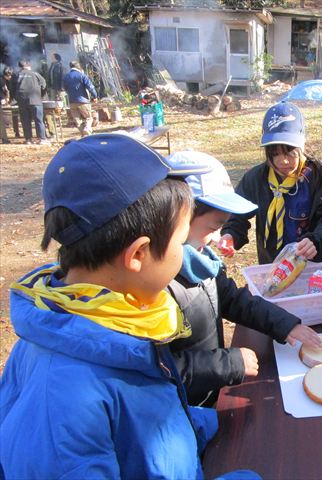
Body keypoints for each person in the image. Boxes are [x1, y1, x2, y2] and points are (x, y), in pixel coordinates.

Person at [0, 134, 258, 479]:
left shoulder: (121, 318)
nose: (188, 251)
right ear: (138, 254)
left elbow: (141, 424)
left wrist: (205, 420)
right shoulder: (63, 402)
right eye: (182, 242)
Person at [167, 151, 322, 407]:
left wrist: (285, 325)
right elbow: (159, 368)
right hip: (182, 406)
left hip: (208, 395)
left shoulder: (200, 260)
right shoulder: (155, 284)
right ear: (178, 218)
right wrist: (228, 364)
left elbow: (231, 298)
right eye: (213, 228)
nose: (218, 238)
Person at [219, 101, 322, 265]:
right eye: (275, 153)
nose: (283, 161)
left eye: (290, 152)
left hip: (313, 262)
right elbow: (237, 212)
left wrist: (317, 240)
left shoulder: (318, 175)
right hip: (273, 263)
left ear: (301, 145)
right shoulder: (255, 178)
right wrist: (231, 235)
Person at [12, 59, 47, 144]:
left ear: (20, 66)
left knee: (25, 120)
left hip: (22, 101)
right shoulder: (35, 74)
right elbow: (44, 85)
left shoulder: (16, 75)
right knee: (39, 120)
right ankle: (42, 139)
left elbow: (12, 89)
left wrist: (17, 98)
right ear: (28, 65)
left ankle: (28, 139)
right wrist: (41, 96)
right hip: (35, 100)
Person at [63, 60, 98, 136]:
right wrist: (94, 96)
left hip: (72, 101)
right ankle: (87, 129)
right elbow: (90, 87)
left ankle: (84, 135)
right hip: (83, 101)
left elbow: (65, 88)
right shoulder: (81, 75)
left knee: (77, 120)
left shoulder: (66, 76)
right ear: (78, 67)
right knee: (88, 118)